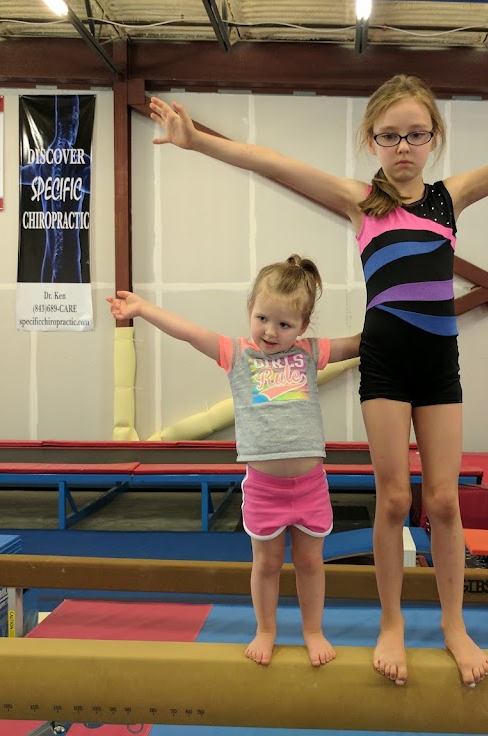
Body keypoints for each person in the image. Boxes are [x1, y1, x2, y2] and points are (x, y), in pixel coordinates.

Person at [147, 74, 488, 686]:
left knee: (444, 500)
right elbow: (272, 161)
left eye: (416, 135)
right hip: (385, 363)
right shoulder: (361, 201)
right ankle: (390, 622)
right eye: (390, 135)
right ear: (371, 140)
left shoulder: (450, 197)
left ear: (433, 139)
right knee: (393, 499)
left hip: (438, 364)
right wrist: (198, 141)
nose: (403, 147)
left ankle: (454, 624)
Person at [107, 255, 361, 667]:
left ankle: (313, 630)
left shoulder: (310, 353)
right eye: (262, 318)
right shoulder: (237, 354)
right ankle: (266, 629)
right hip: (264, 487)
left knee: (311, 563)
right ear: (249, 311)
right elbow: (189, 333)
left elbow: (361, 342)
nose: (270, 331)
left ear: (303, 327)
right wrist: (142, 309)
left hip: (310, 485)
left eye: (284, 324)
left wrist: (404, 319)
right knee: (267, 564)